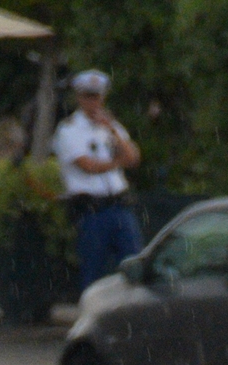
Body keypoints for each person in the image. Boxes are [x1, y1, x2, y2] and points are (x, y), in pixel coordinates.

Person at [52, 70, 144, 293]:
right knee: (93, 274)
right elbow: (88, 166)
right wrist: (117, 163)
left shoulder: (111, 126)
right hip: (92, 210)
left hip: (120, 206)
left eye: (97, 96)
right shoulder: (69, 129)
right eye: (88, 96)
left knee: (135, 268)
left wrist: (112, 129)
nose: (93, 101)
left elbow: (133, 158)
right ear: (79, 98)